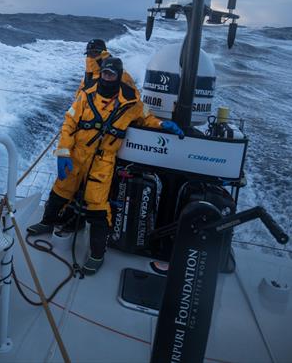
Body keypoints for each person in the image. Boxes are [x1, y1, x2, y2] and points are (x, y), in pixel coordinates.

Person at [28, 57, 184, 275]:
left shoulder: (132, 103)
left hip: (103, 160)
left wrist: (162, 125)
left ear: (118, 76)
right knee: (61, 189)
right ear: (100, 74)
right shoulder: (85, 95)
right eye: (105, 73)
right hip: (76, 154)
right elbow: (69, 124)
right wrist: (63, 153)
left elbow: (146, 118)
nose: (107, 77)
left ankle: (97, 254)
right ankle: (47, 222)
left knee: (97, 205)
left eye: (112, 74)